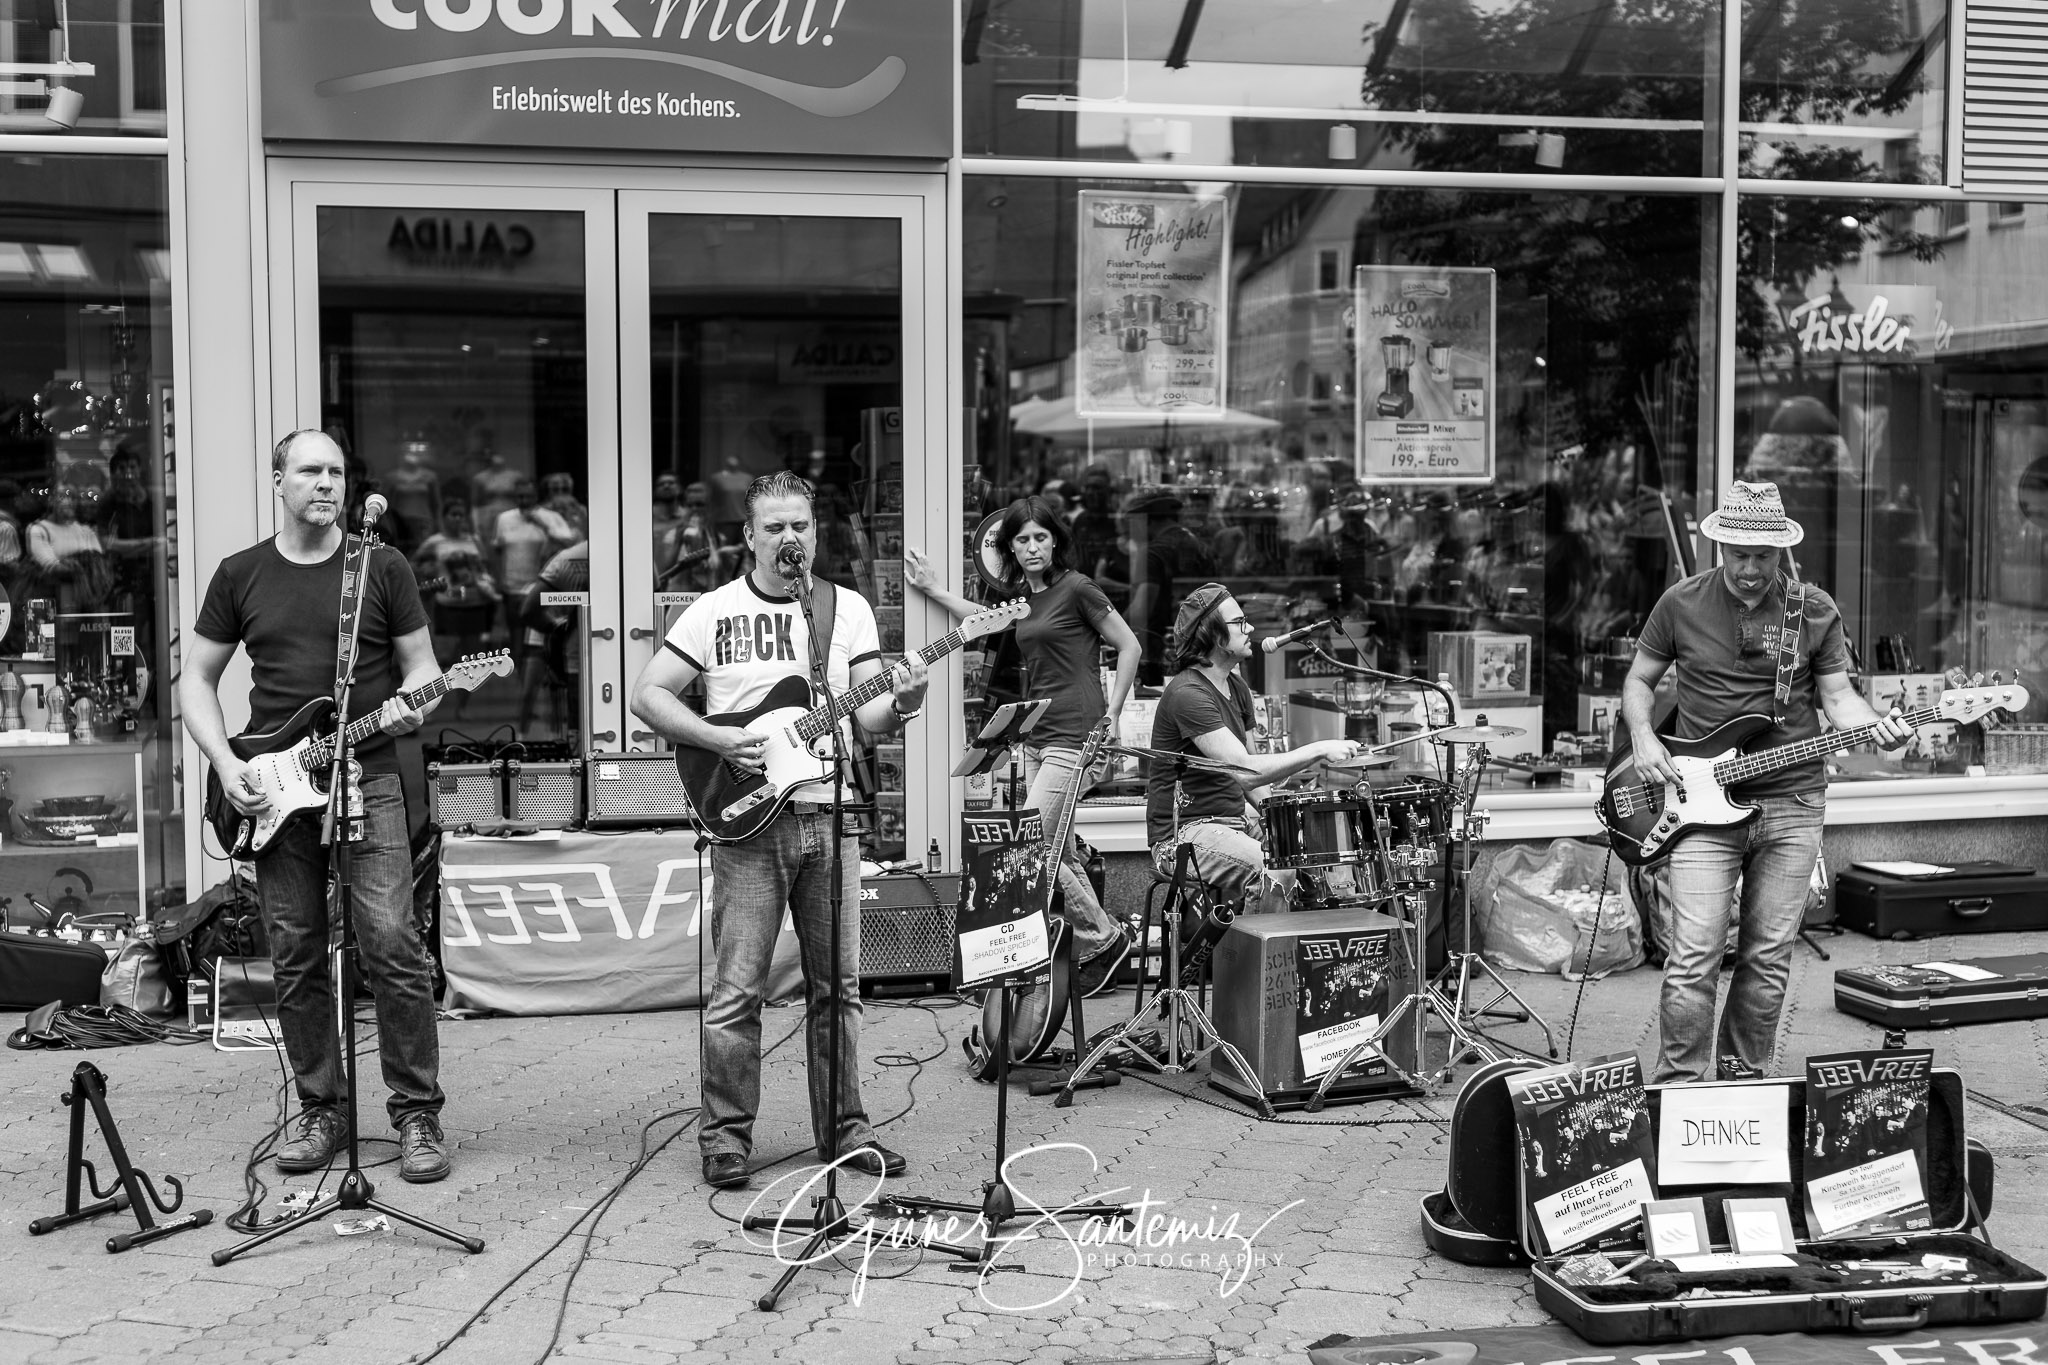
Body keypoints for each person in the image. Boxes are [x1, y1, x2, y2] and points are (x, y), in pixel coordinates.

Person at [630, 471, 930, 1192]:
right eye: (775, 527)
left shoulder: (846, 608)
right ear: (749, 537)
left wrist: (905, 700)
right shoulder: (713, 611)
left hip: (830, 813)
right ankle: (726, 1136)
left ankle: (845, 1131)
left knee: (840, 990)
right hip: (748, 822)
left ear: (815, 532)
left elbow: (868, 715)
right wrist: (716, 738)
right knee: (738, 989)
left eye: (800, 525)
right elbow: (648, 694)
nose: (789, 537)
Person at [179, 429, 452, 1182]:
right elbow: (196, 679)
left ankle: (417, 1112)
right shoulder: (241, 573)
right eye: (309, 471)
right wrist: (226, 762)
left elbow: (423, 672)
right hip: (275, 786)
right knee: (296, 953)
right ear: (279, 480)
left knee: (393, 944)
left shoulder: (381, 567)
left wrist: (414, 703)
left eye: (335, 471)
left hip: (370, 776)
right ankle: (321, 1107)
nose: (326, 483)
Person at [1623, 480, 1911, 1083]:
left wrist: (1880, 729)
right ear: (1720, 547)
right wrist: (1644, 737)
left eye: (1764, 556)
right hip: (1699, 803)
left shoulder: (1815, 609)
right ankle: (1678, 1089)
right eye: (1739, 555)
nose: (1751, 569)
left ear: (1782, 550)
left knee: (1768, 957)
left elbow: (1838, 698)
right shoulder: (1680, 602)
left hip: (1794, 800)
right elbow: (1639, 681)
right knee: (1694, 953)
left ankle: (1743, 1084)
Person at [904, 495, 1144, 998]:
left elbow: (1130, 646)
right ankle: (1100, 943)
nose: (1032, 547)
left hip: (1076, 736)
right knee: (1060, 853)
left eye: (1040, 537)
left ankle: (1102, 939)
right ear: (1009, 547)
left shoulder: (1078, 589)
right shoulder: (1024, 599)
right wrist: (933, 590)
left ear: (1055, 540)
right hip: (1037, 737)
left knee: (1030, 846)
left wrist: (1114, 713)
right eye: (1022, 539)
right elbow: (984, 619)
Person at [1145, 583, 1362, 912]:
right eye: (1240, 622)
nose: (1250, 629)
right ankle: (1259, 948)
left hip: (1234, 823)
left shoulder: (1237, 686)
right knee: (1273, 870)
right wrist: (1318, 749)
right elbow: (1246, 772)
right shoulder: (1188, 694)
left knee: (1321, 860)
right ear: (1212, 634)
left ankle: (1308, 943)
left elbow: (1253, 785)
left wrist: (1285, 823)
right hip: (1183, 835)